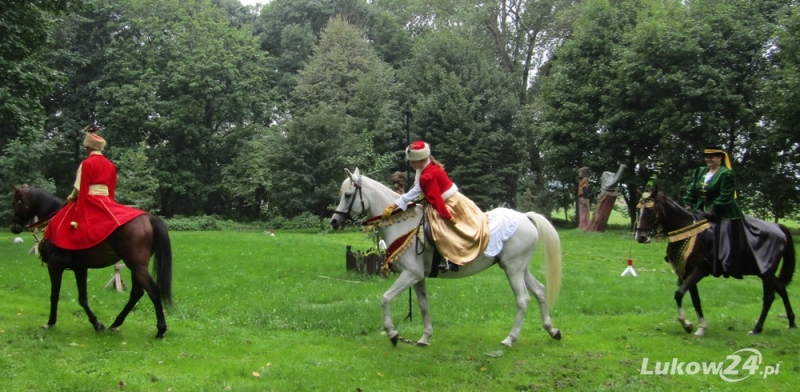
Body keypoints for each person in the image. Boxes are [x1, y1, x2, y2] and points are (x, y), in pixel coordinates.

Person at [382, 140, 489, 271]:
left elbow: (434, 198)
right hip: (453, 199)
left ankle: (452, 259)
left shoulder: (427, 175)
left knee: (441, 229)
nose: (411, 164)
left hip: (448, 204)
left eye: (413, 162)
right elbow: (418, 190)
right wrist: (397, 203)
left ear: (421, 159)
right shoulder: (428, 166)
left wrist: (447, 216)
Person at [44, 125, 146, 254]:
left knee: (59, 220)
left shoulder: (87, 163)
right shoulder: (111, 165)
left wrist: (71, 197)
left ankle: (67, 254)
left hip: (89, 198)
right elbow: (111, 186)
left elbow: (79, 187)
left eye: (86, 147)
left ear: (89, 147)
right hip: (106, 199)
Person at [683, 145, 750, 278]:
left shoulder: (726, 174)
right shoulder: (700, 171)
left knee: (723, 235)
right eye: (706, 157)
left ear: (720, 158)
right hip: (701, 208)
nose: (708, 159)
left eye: (711, 157)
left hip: (725, 212)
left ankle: (723, 262)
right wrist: (688, 203)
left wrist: (714, 209)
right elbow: (692, 189)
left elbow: (726, 195)